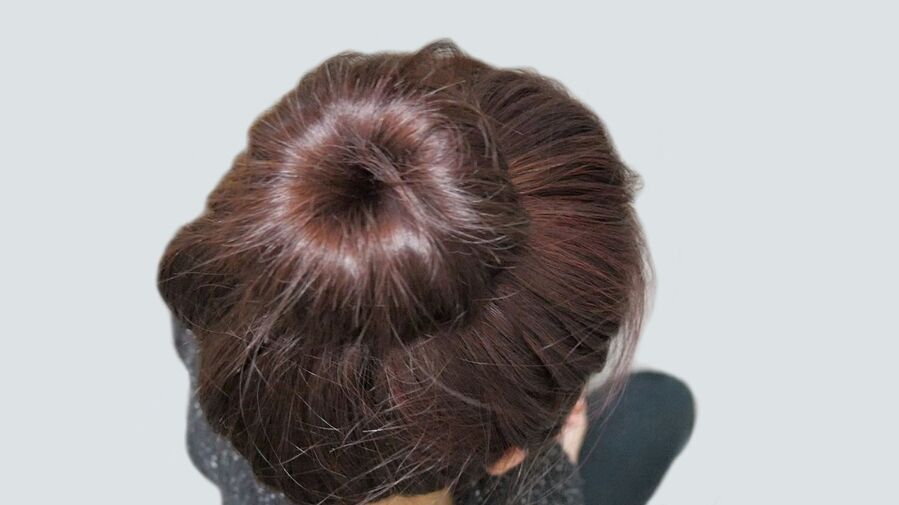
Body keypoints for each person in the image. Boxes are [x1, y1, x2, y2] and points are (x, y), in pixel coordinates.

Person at [157, 39, 694, 505]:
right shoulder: (539, 491)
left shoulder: (212, 335)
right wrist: (564, 462)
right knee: (662, 405)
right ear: (510, 455)